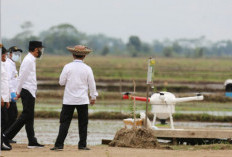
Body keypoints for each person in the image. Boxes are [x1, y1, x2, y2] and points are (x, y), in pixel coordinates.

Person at [50, 45, 98, 151]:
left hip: (68, 100)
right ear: (84, 56)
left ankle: (59, 145)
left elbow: (61, 82)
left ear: (73, 54)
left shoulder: (67, 67)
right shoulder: (87, 69)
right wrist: (93, 96)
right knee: (83, 123)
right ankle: (82, 145)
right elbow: (92, 84)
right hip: (82, 100)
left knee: (64, 122)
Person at [3, 41, 45, 149]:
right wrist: (18, 92)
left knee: (29, 117)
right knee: (25, 116)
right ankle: (6, 135)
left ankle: (32, 141)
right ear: (36, 49)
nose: (41, 52)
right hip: (27, 91)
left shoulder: (31, 60)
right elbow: (22, 77)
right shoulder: (28, 60)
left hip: (29, 90)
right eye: (40, 49)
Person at [5, 46, 23, 144]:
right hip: (8, 95)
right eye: (15, 54)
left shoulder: (12, 64)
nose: (17, 56)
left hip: (13, 94)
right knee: (11, 116)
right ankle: (5, 135)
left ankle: (6, 135)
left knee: (12, 115)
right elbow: (7, 80)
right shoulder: (8, 64)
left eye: (18, 54)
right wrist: (11, 93)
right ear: (10, 54)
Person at [1, 44, 11, 151]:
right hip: (0, 99)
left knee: (4, 120)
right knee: (3, 120)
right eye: (4, 54)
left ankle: (1, 141)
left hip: (4, 98)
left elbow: (5, 83)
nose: (5, 57)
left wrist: (7, 98)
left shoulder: (3, 65)